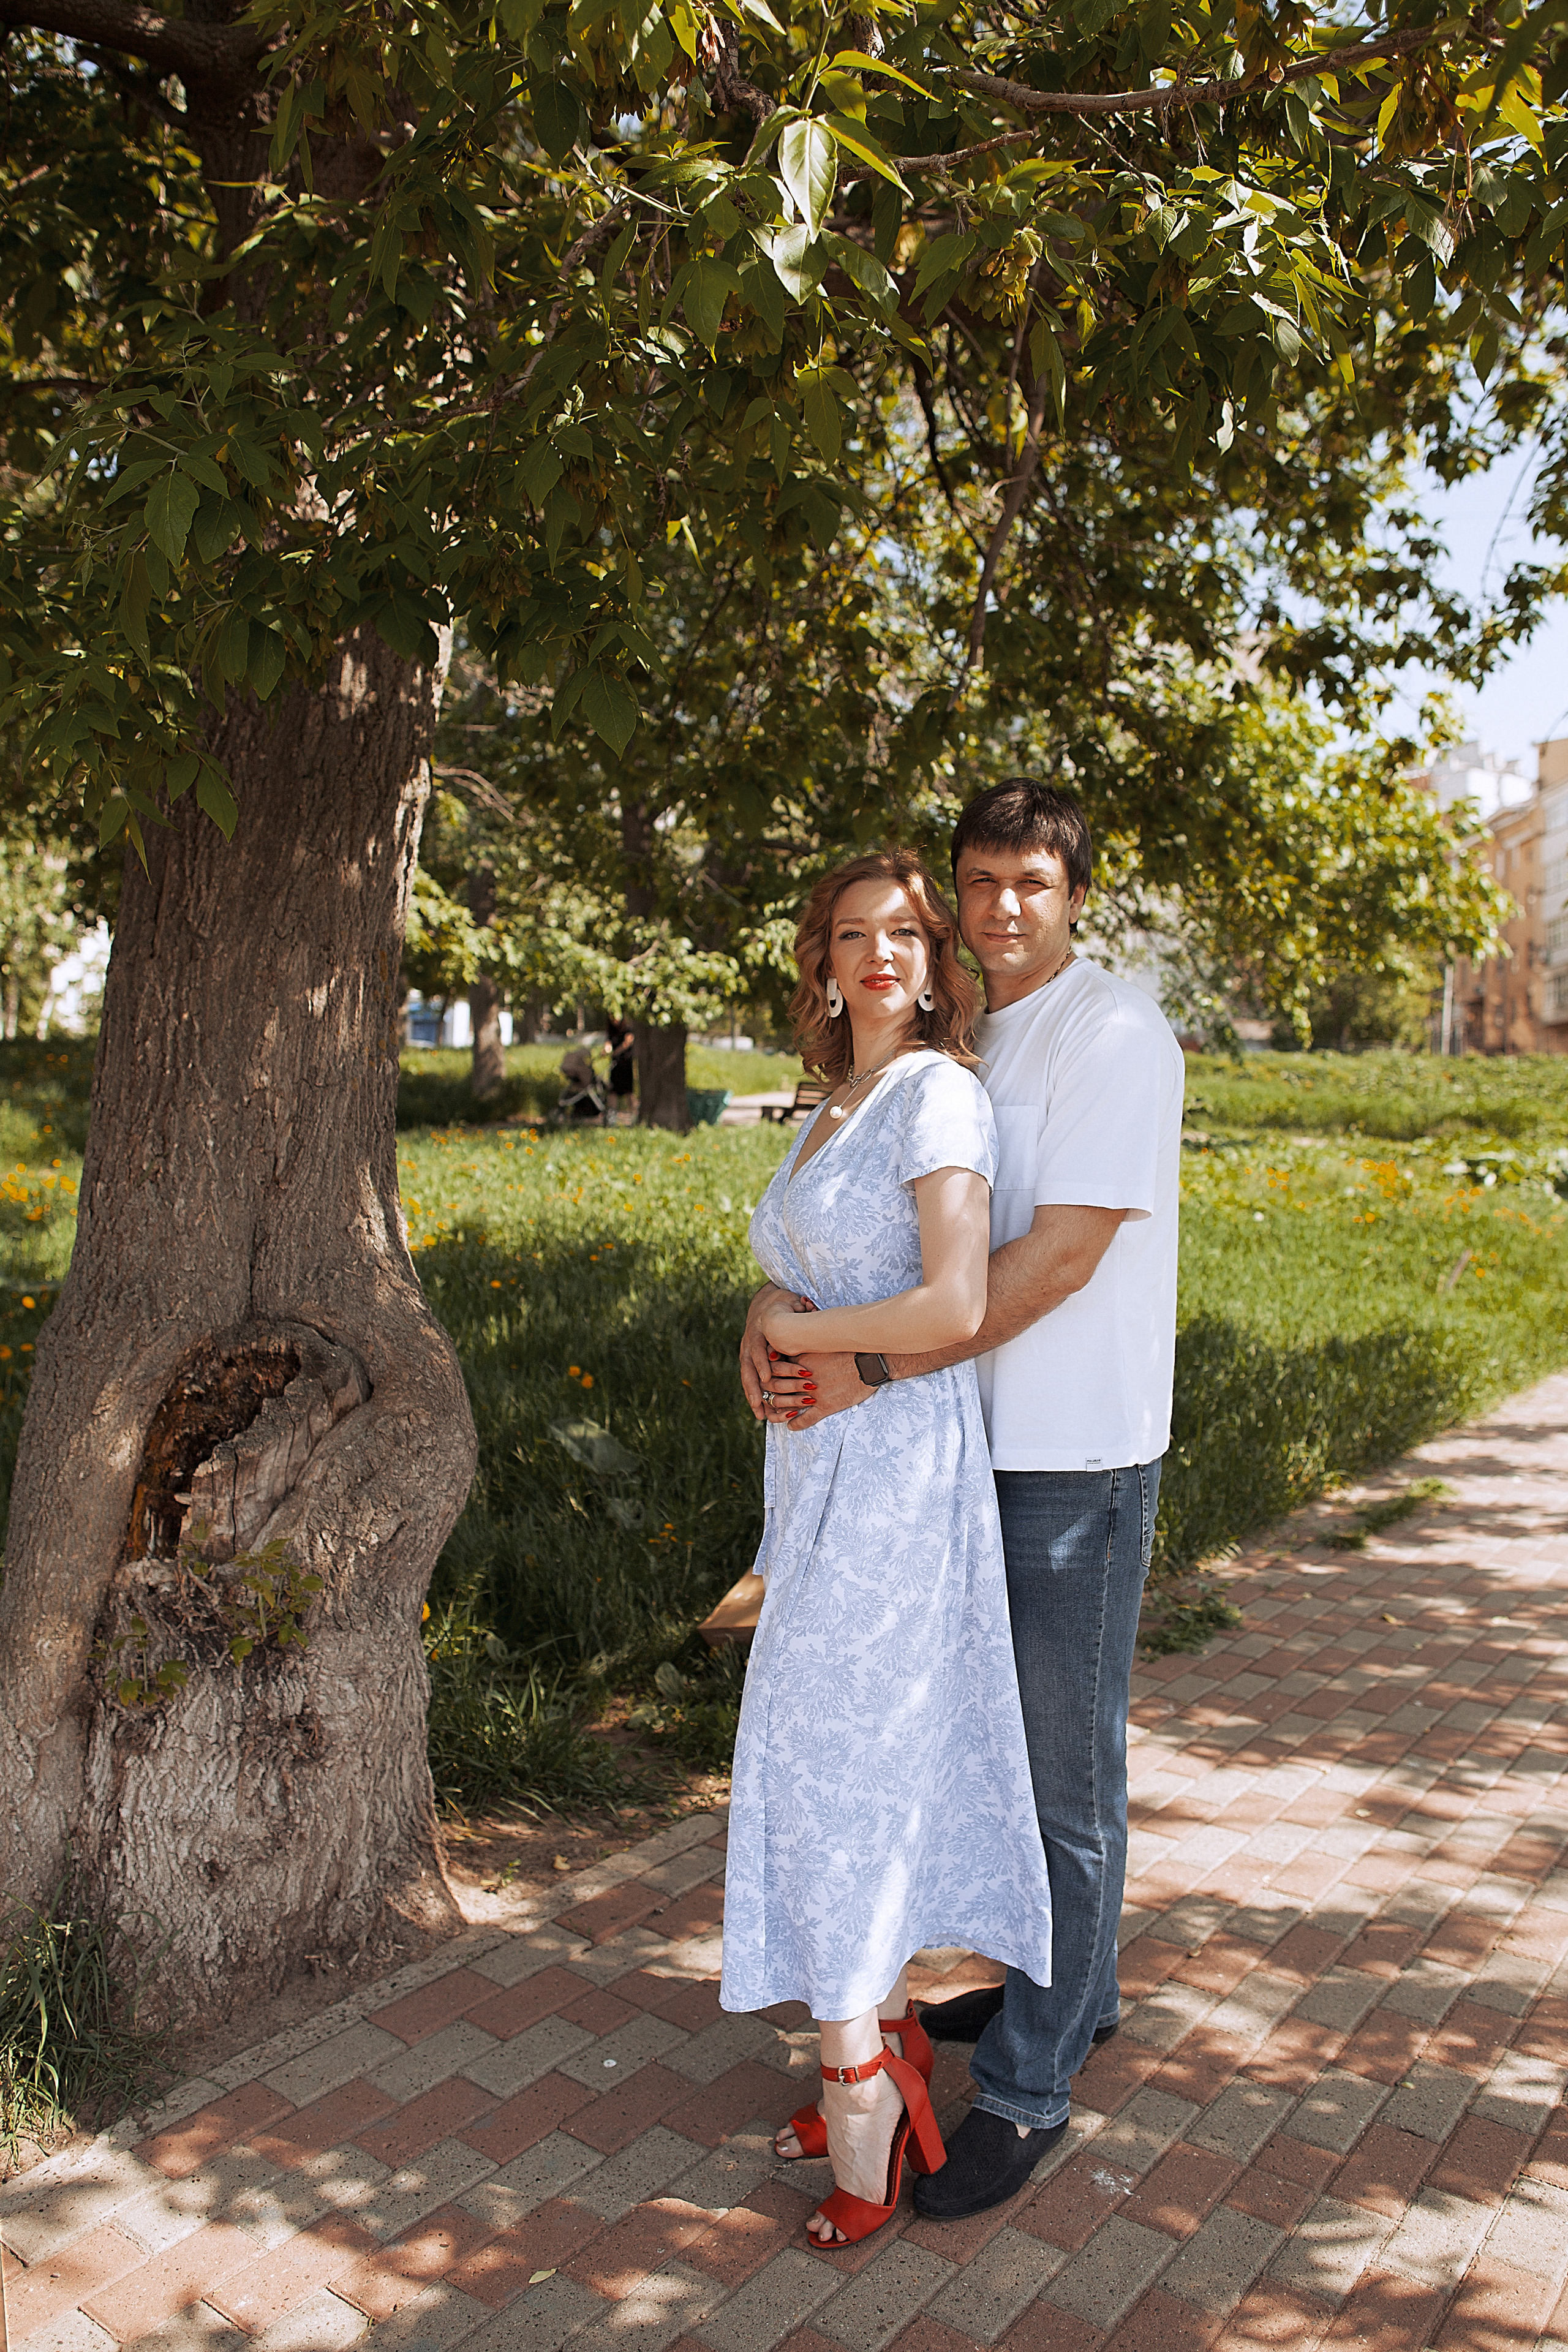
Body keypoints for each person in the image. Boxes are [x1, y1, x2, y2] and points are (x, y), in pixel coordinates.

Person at [744, 780, 1184, 2221]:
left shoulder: (1112, 1030)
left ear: (1075, 893)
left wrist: (867, 1355)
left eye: (1031, 883)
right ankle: (1073, 1994)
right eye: (979, 881)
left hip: (1073, 1450)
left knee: (1063, 1778)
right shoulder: (971, 1033)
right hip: (960, 1448)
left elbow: (1055, 1259)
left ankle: (1032, 2079)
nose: (1002, 907)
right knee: (993, 1750)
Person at [722, 848, 1054, 2252]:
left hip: (900, 1471)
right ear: (821, 959)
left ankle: (860, 2084)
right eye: (849, 933)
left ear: (934, 959)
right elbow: (797, 1263)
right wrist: (758, 1307)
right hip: (814, 1475)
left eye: (903, 934)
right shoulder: (829, 1104)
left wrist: (794, 1337)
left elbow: (954, 1299)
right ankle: (884, 2041)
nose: (876, 955)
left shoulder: (937, 1093)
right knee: (824, 1756)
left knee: (838, 1761)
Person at [601, 1014, 635, 1118]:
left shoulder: (628, 1028)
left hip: (626, 1063)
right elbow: (609, 1042)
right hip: (615, 1064)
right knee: (613, 1090)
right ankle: (612, 1114)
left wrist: (615, 1053)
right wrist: (606, 1050)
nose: (614, 1021)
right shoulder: (611, 1030)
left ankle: (634, 1113)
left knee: (629, 1091)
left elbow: (627, 1043)